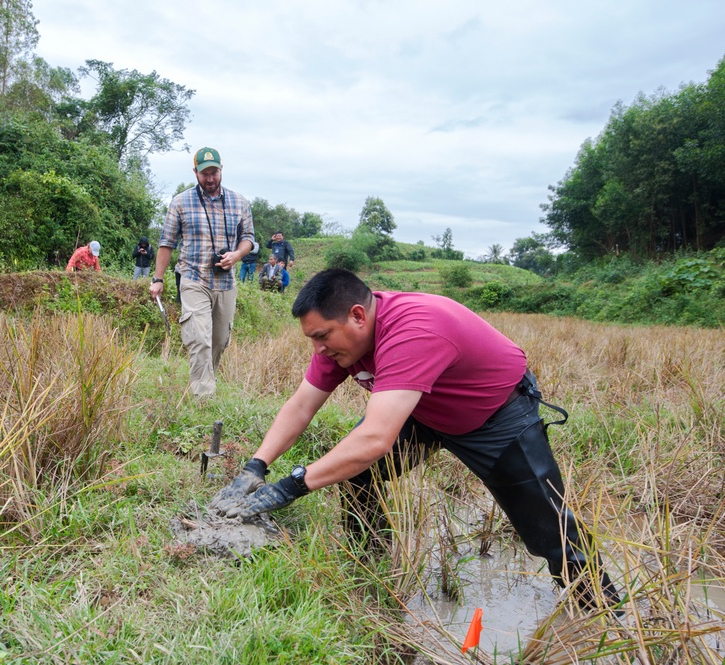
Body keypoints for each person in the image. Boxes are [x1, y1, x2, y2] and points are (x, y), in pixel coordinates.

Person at [209, 269, 622, 612]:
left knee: (552, 533)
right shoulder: (343, 345)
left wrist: (290, 485)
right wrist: (255, 468)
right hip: (423, 412)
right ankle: (368, 561)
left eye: (323, 336)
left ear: (357, 316)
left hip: (496, 418)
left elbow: (375, 438)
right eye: (311, 339)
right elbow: (301, 406)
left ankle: (603, 613)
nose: (318, 348)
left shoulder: (413, 330)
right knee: (355, 471)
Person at [150, 147, 254, 397]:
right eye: (205, 173)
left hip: (226, 282)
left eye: (214, 172)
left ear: (221, 170)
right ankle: (203, 398)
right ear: (195, 172)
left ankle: (206, 380)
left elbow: (249, 238)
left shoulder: (240, 202)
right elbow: (167, 242)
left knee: (219, 341)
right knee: (199, 338)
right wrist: (158, 278)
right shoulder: (180, 202)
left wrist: (237, 255)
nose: (210, 178)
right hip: (193, 278)